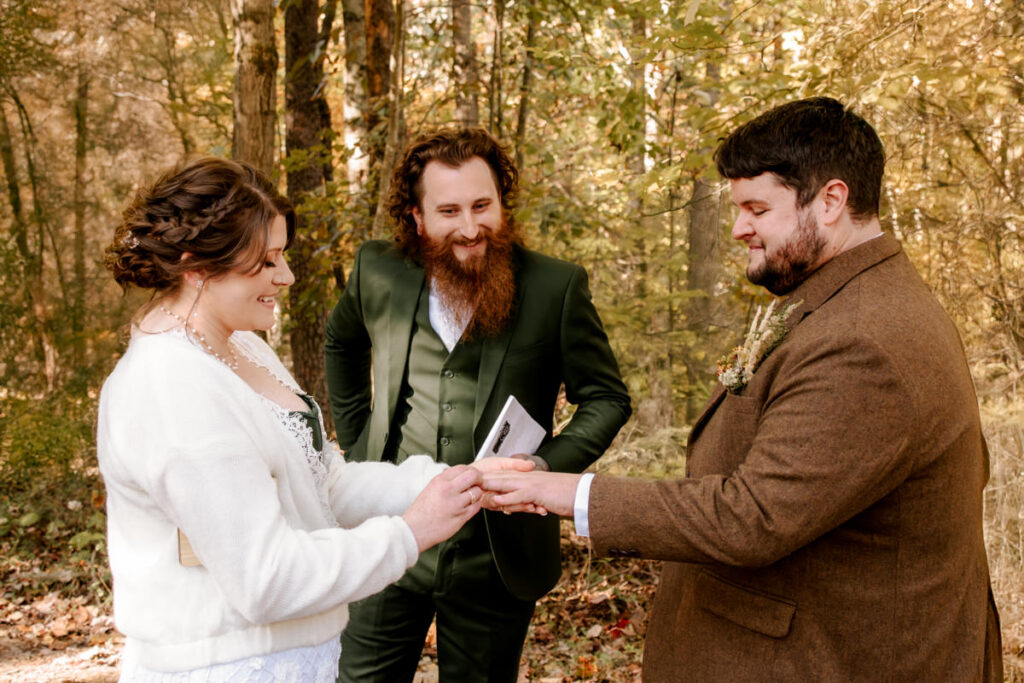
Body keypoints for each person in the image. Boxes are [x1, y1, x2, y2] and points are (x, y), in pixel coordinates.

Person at [483, 97, 1003, 681]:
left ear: (831, 200)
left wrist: (565, 493)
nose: (738, 229)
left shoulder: (865, 340)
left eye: (757, 208)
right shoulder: (843, 297)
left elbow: (752, 517)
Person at [97, 157, 530, 681]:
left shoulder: (242, 349)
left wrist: (451, 481)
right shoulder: (172, 387)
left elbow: (323, 485)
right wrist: (410, 533)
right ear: (196, 266)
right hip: (227, 666)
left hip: (301, 659)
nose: (287, 277)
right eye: (267, 262)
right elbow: (265, 578)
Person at [325, 127, 631, 682]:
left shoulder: (555, 287)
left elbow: (606, 398)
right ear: (418, 218)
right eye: (449, 210)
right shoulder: (377, 270)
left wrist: (543, 470)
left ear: (501, 203)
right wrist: (357, 436)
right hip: (385, 537)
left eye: (482, 205)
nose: (470, 228)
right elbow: (341, 343)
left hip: (496, 554)